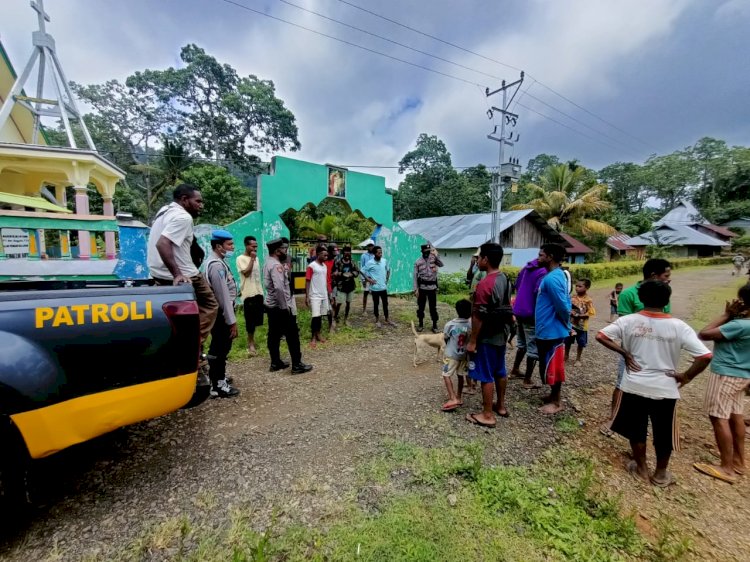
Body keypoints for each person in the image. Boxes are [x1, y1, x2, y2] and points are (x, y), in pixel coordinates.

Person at [596, 280, 712, 486]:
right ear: (667, 301)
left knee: (636, 428)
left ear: (640, 299)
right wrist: (686, 376)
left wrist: (624, 353)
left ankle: (640, 467)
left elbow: (601, 335)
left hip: (633, 384)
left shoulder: (628, 321)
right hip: (665, 388)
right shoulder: (679, 326)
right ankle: (660, 473)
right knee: (663, 432)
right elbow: (704, 356)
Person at [602, 259, 673, 436]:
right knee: (621, 383)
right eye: (666, 276)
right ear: (653, 276)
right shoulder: (629, 294)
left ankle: (642, 421)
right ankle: (614, 418)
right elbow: (625, 325)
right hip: (632, 351)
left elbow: (665, 318)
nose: (668, 280)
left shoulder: (664, 293)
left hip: (656, 351)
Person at [147, 184, 218, 354]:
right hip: (186, 275)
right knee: (210, 305)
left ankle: (181, 343)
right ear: (185, 200)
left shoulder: (164, 212)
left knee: (179, 317)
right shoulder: (183, 217)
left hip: (158, 275)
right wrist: (177, 274)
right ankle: (191, 345)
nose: (201, 205)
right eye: (198, 201)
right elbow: (162, 243)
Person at [695, 283, 750, 483]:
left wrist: (726, 314)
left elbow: (704, 333)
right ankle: (738, 461)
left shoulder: (739, 325)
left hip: (725, 374)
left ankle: (726, 467)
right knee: (736, 415)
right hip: (743, 375)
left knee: (718, 417)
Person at [465, 243, 512, 428]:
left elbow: (478, 316)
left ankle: (487, 414)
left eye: (479, 257)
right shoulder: (505, 278)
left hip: (487, 335)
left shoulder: (485, 284)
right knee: (500, 370)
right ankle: (500, 406)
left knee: (485, 374)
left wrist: (473, 340)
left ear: (486, 259)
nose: (478, 261)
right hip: (502, 332)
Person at [263, 237, 313, 374]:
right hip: (281, 307)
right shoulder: (276, 265)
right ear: (278, 250)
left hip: (272, 306)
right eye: (283, 248)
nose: (285, 250)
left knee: (273, 334)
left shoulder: (268, 262)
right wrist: (285, 308)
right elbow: (279, 288)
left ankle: (275, 362)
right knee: (292, 336)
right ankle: (297, 365)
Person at [535, 244, 572, 415]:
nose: (538, 257)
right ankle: (552, 395)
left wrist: (567, 324)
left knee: (553, 365)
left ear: (550, 257)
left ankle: (556, 402)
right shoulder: (553, 276)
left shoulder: (552, 278)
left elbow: (563, 306)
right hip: (547, 329)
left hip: (553, 331)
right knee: (547, 364)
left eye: (541, 255)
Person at [204, 230, 240, 398]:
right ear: (218, 246)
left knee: (221, 348)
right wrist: (231, 321)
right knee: (220, 349)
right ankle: (218, 385)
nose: (232, 247)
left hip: (222, 313)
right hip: (221, 315)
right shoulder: (216, 266)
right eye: (229, 244)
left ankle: (219, 378)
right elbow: (223, 297)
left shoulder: (218, 262)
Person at [508, 257, 548, 389]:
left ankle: (515, 369)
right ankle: (527, 379)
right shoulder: (543, 271)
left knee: (522, 343)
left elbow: (517, 285)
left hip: (519, 309)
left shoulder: (526, 267)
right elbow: (539, 292)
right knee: (532, 346)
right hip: (530, 312)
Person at [440, 299, 472, 412]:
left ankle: (452, 398)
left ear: (457, 310)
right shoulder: (470, 325)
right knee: (460, 375)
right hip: (464, 355)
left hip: (451, 355)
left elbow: (446, 337)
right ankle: (459, 397)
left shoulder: (450, 324)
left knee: (446, 375)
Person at [236, 235, 264, 357]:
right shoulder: (240, 258)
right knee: (250, 320)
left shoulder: (256, 258)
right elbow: (246, 273)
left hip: (258, 292)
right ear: (247, 246)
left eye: (256, 246)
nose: (255, 248)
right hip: (248, 293)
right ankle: (250, 343)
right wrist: (252, 260)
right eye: (253, 246)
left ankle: (253, 340)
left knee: (257, 319)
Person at [361, 245, 396, 328]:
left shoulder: (384, 261)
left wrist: (386, 279)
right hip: (375, 288)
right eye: (379, 253)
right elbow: (362, 271)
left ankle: (387, 319)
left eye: (381, 252)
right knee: (376, 304)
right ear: (374, 254)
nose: (381, 254)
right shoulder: (370, 263)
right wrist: (368, 280)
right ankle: (377, 320)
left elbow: (388, 270)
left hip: (383, 287)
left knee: (385, 304)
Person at [414, 244, 444, 333]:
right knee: (421, 307)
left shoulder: (434, 259)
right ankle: (420, 324)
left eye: (428, 251)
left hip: (432, 288)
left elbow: (441, 264)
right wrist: (416, 289)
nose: (427, 253)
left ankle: (434, 325)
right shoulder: (418, 262)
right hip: (422, 287)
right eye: (425, 252)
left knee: (433, 307)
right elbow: (415, 276)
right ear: (422, 252)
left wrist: (436, 255)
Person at [565, 279, 595, 363]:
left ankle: (578, 358)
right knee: (567, 341)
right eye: (576, 286)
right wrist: (570, 312)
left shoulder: (588, 300)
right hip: (570, 325)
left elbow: (591, 312)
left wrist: (580, 316)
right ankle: (566, 356)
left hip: (582, 326)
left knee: (581, 343)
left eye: (580, 286)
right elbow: (567, 308)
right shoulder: (572, 298)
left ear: (587, 287)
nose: (577, 288)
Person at [306, 245, 330, 347]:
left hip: (323, 294)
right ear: (318, 254)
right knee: (315, 317)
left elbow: (325, 281)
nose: (326, 257)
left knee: (320, 316)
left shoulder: (325, 266)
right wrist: (307, 296)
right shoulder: (311, 266)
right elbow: (307, 281)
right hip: (315, 295)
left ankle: (318, 334)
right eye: (324, 255)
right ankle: (313, 337)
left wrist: (328, 294)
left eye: (327, 255)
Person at [332, 245, 359, 325]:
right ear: (343, 253)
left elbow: (357, 271)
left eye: (349, 251)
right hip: (341, 286)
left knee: (348, 303)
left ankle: (346, 319)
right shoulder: (338, 261)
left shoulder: (352, 262)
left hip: (350, 285)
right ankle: (335, 316)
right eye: (346, 251)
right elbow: (334, 273)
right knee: (339, 303)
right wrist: (342, 274)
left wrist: (352, 274)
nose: (347, 253)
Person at [325, 244, 338, 331]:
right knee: (327, 305)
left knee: (333, 302)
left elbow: (336, 269)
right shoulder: (323, 260)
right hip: (323, 286)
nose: (335, 254)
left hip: (332, 285)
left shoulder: (334, 261)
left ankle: (333, 320)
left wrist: (335, 272)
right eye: (333, 252)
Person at [360, 239, 375, 315]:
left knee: (375, 293)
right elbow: (362, 268)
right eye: (369, 246)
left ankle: (374, 309)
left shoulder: (375, 255)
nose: (370, 247)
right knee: (365, 293)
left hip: (374, 278)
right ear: (367, 247)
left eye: (372, 246)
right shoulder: (363, 256)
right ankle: (364, 310)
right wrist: (363, 279)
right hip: (366, 278)